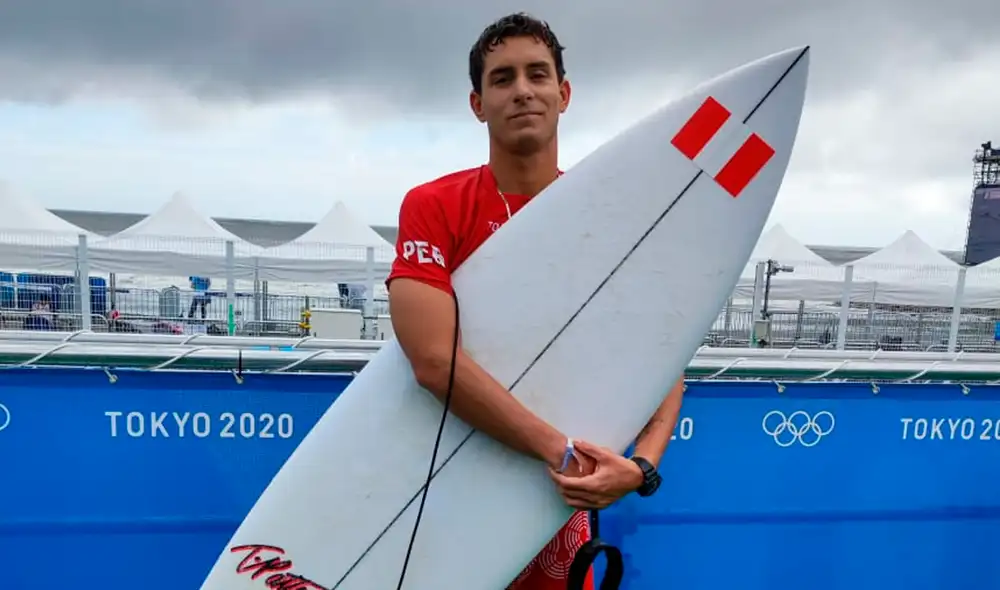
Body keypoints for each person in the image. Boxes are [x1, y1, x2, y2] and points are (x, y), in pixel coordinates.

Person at [386, 13, 686, 590]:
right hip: (448, 483)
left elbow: (664, 354)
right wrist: (559, 448)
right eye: (502, 79)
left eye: (537, 74)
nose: (522, 90)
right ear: (477, 103)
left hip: (554, 508)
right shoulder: (434, 206)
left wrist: (642, 466)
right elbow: (431, 360)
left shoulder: (609, 219)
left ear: (563, 93)